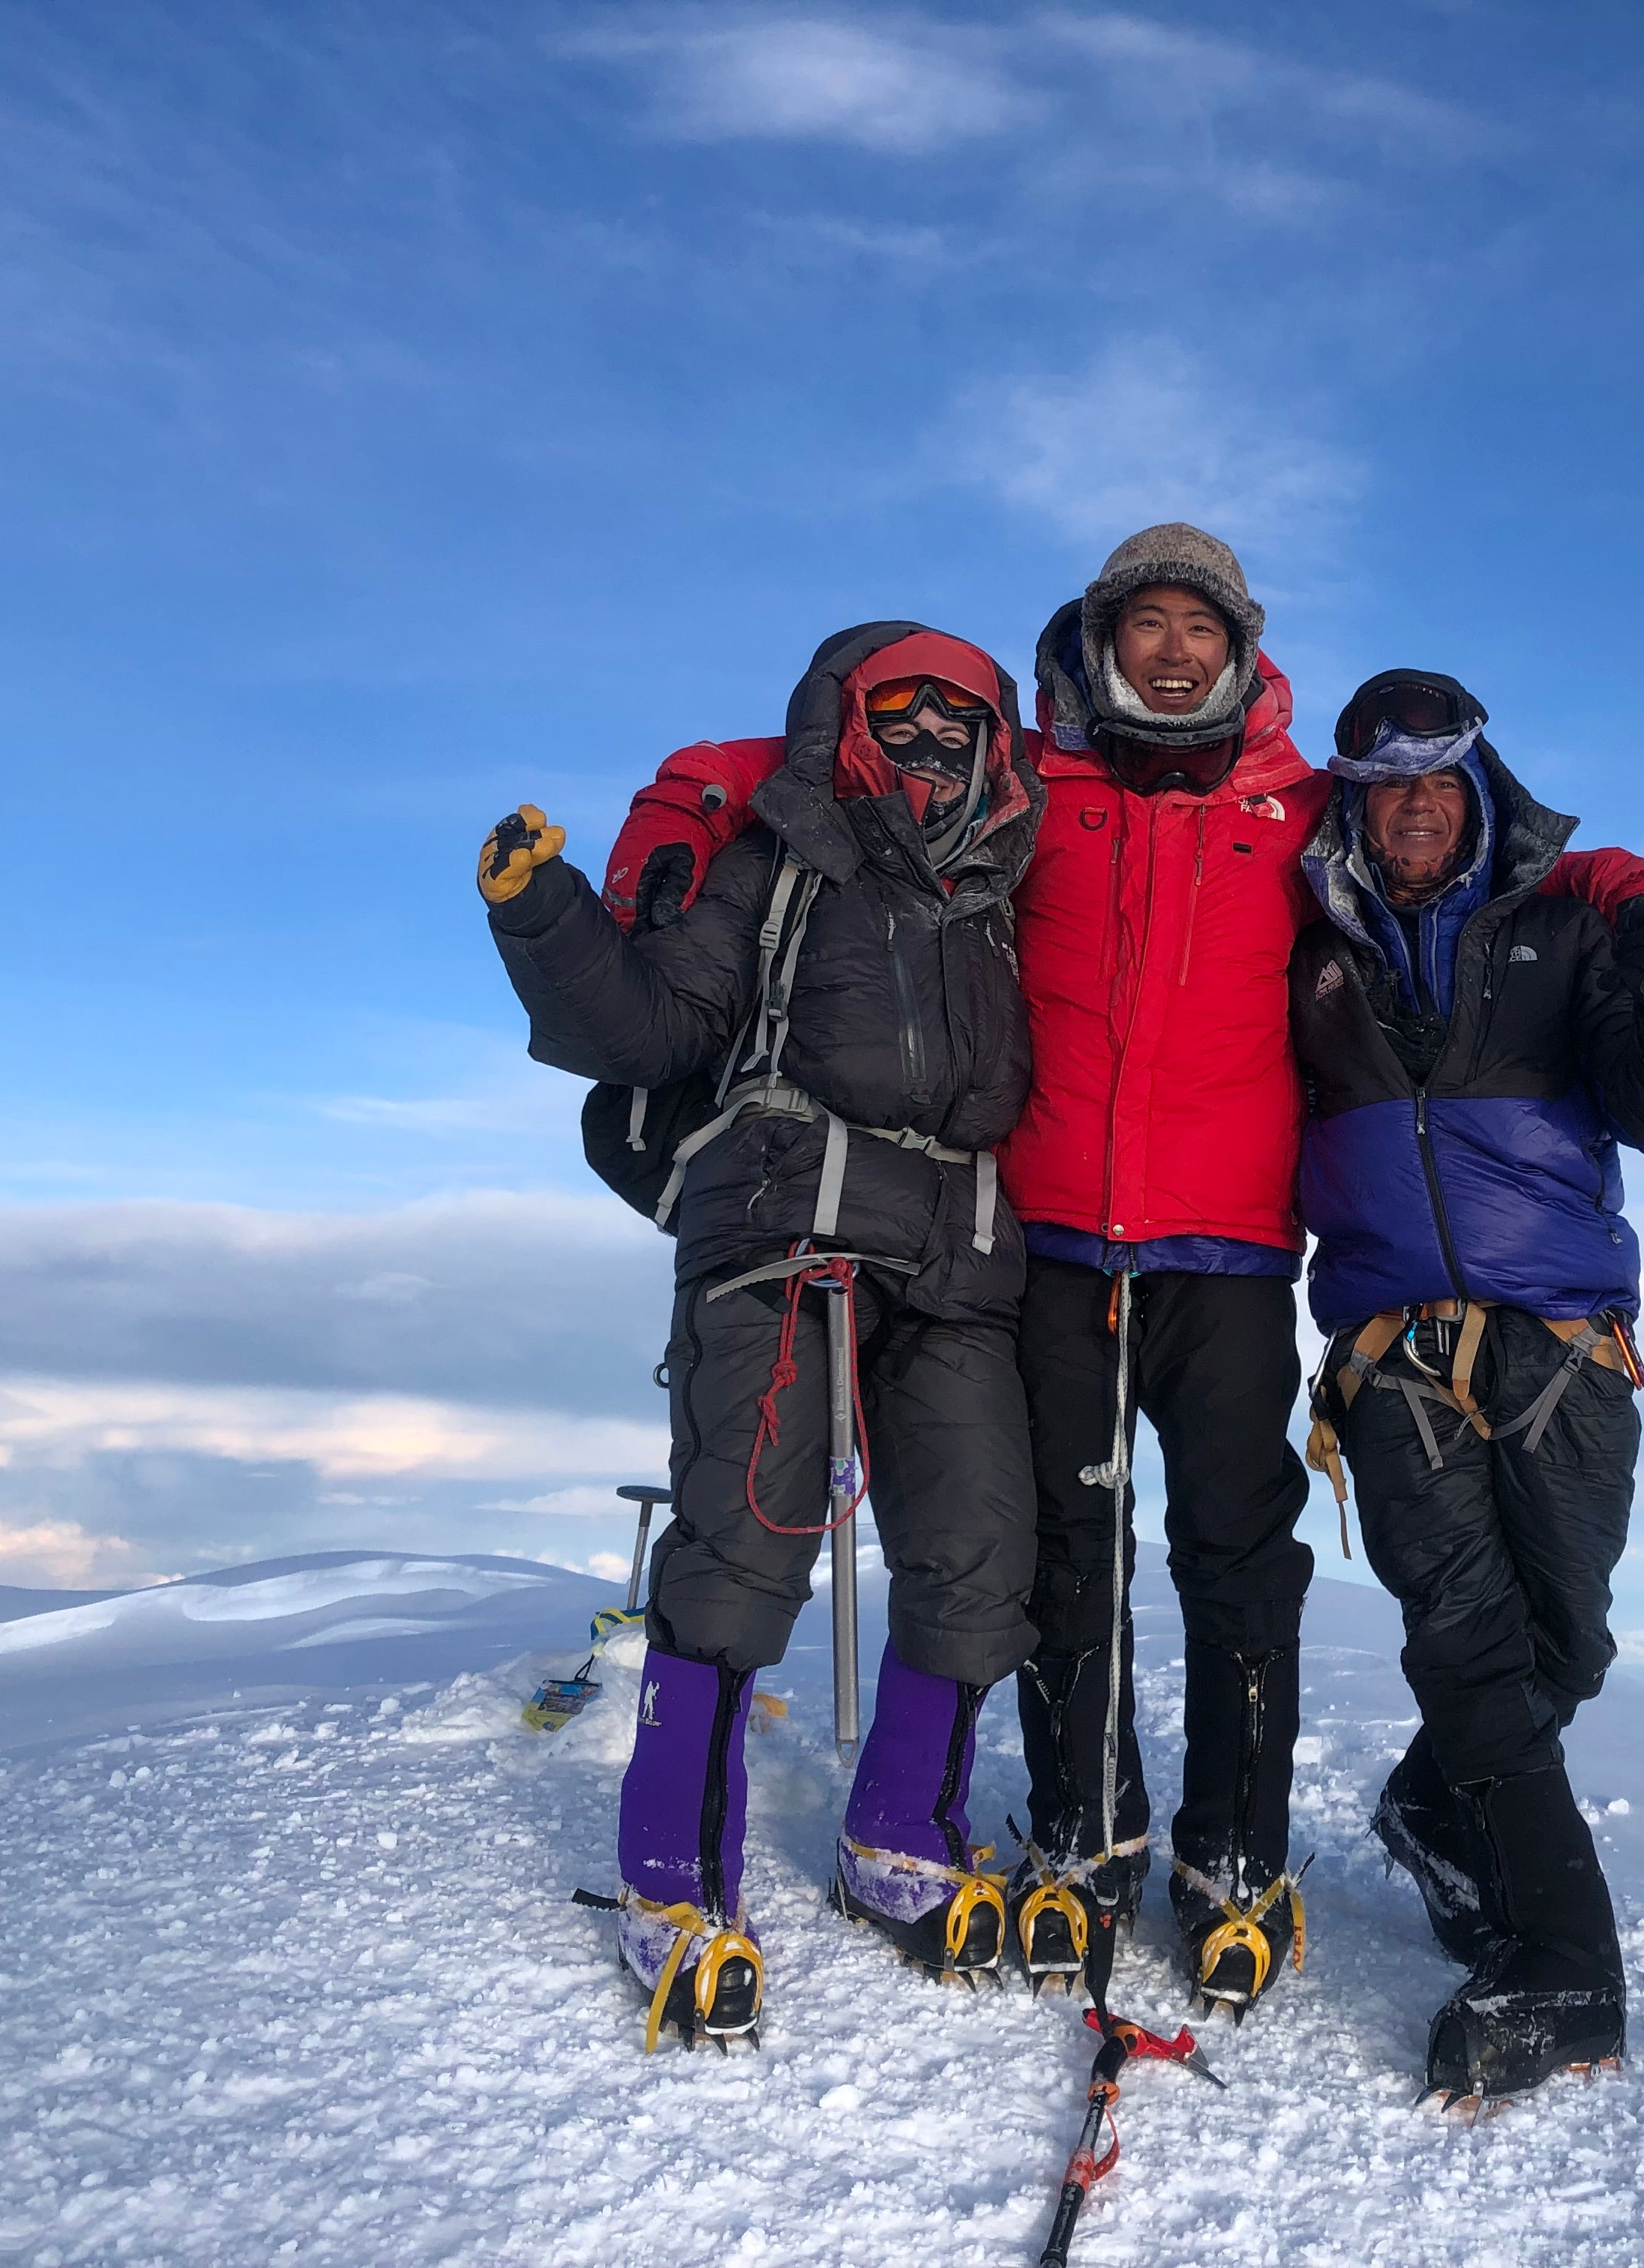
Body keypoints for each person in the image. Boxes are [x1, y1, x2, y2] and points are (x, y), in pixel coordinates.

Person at [1000, 527, 1644, 2017]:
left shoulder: (1305, 809)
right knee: (1067, 1550)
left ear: (1240, 647)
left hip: (1233, 1251)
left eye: (1199, 626)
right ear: (1102, 641)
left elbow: (1469, 862)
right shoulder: (1029, 800)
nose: (1171, 650)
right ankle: (1078, 1833)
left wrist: (1616, 876)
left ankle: (1234, 1856)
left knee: (1243, 1568)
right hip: (1053, 1238)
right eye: (1144, 625)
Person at [476, 622, 1045, 2046]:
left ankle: (900, 1842)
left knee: (980, 1550)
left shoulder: (1006, 893)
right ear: (850, 722)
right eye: (901, 713)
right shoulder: (780, 858)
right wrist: (546, 916)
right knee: (742, 1545)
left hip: (962, 1248)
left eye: (960, 719)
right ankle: (672, 1875)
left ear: (999, 743)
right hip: (786, 1223)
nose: (932, 739)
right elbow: (654, 1026)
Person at [1289, 668, 1644, 2104]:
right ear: (1354, 801)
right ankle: (1565, 1968)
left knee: (1567, 1646)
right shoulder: (1304, 944)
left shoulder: (1570, 924)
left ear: (1476, 784)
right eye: (1386, 787)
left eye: (1438, 781)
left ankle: (1433, 1806)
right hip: (1390, 1345)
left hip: (1564, 1342)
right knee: (1472, 1648)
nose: (1414, 808)